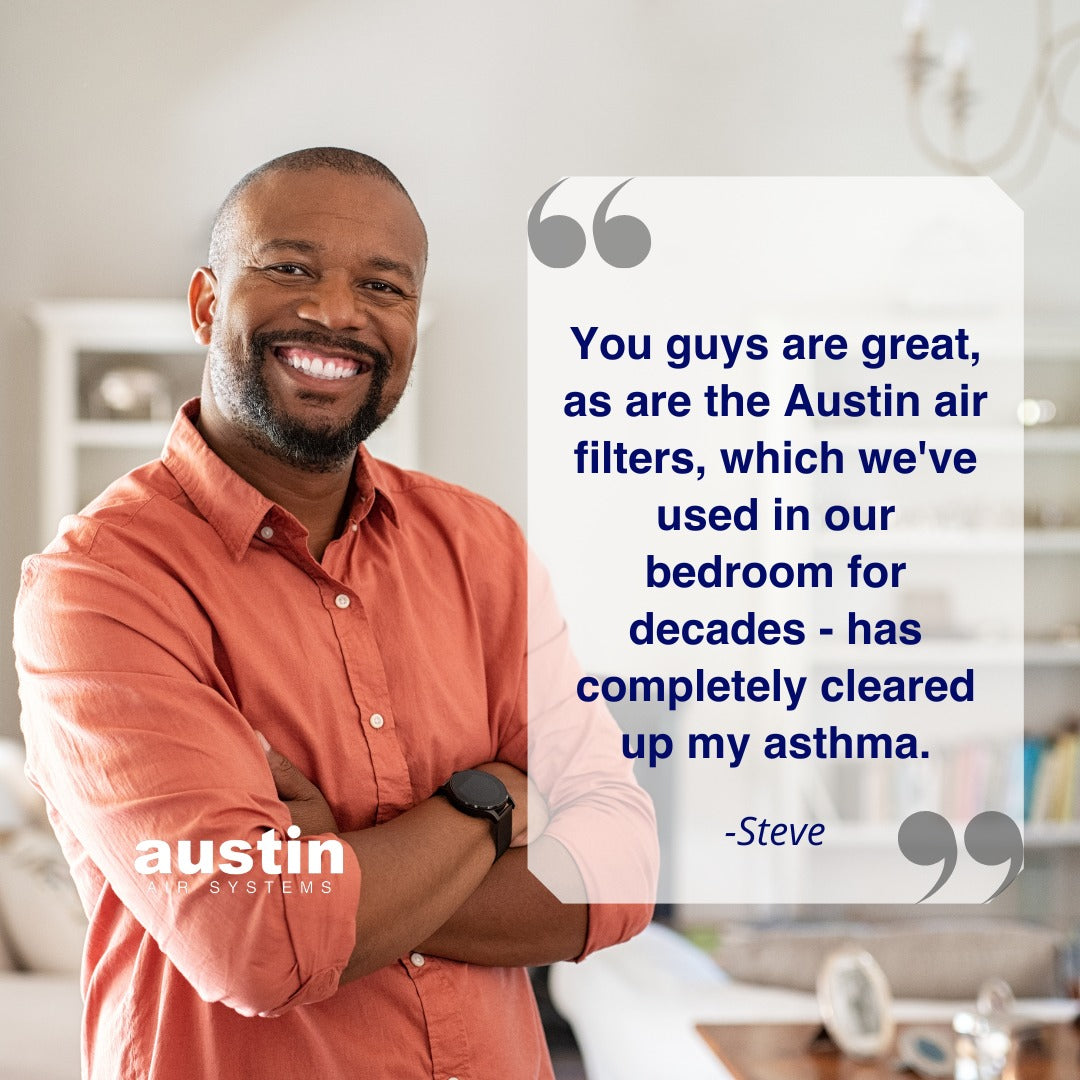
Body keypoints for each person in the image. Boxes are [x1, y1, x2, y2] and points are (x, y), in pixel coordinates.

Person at [14, 148, 657, 1080]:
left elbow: (621, 871)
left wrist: (335, 865)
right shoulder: (102, 586)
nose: (338, 312)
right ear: (205, 302)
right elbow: (257, 940)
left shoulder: (484, 550)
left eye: (383, 286)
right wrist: (490, 805)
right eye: (290, 268)